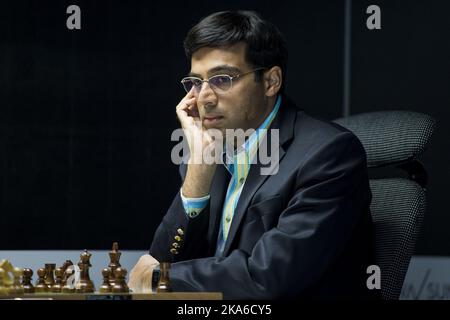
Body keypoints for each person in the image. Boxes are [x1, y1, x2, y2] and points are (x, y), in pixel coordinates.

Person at [129, 10, 378, 299]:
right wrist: (198, 172)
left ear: (271, 81)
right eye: (196, 82)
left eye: (222, 79)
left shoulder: (329, 154)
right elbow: (160, 260)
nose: (204, 97)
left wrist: (163, 278)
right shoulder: (209, 152)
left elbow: (268, 276)